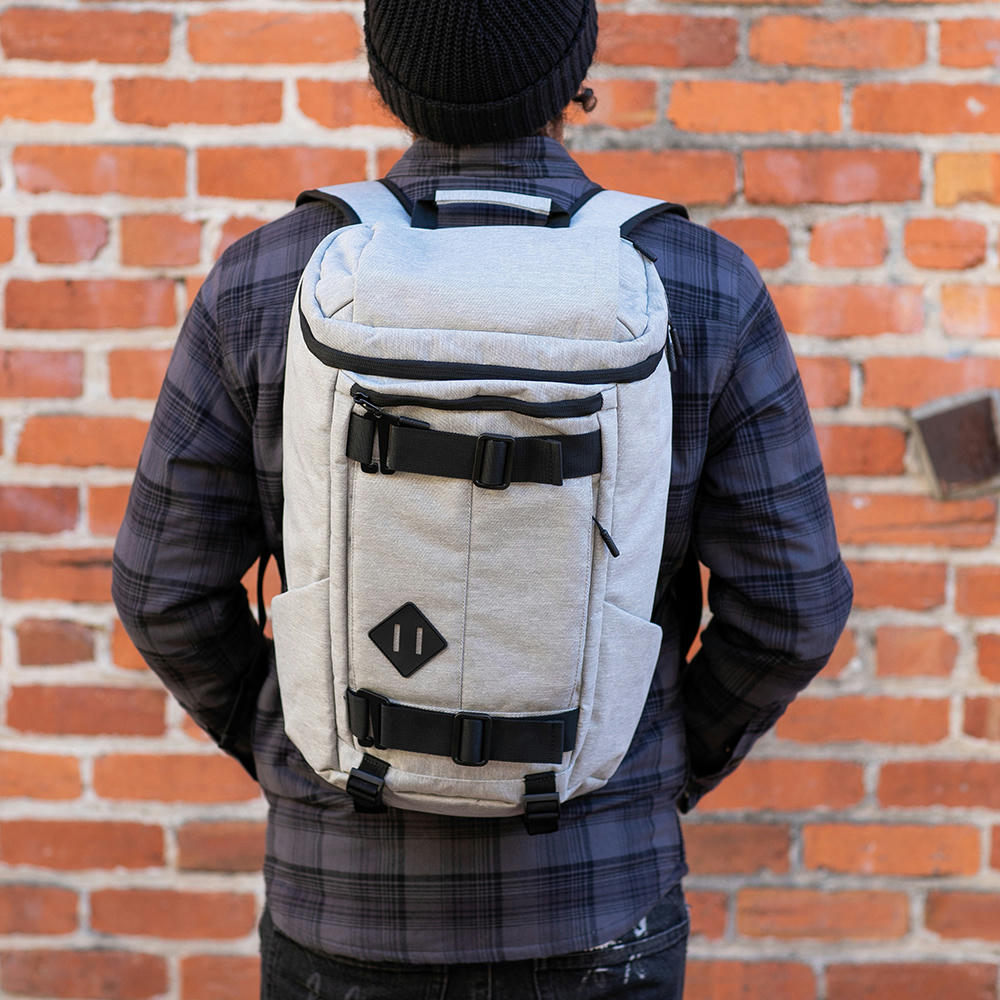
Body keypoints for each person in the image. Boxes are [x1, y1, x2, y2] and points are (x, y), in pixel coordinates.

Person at [112, 1, 853, 996]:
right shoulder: (699, 284)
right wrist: (658, 758)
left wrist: (300, 737)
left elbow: (162, 589)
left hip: (342, 902)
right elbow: (795, 605)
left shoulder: (266, 280)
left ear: (387, 75)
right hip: (598, 899)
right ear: (575, 68)